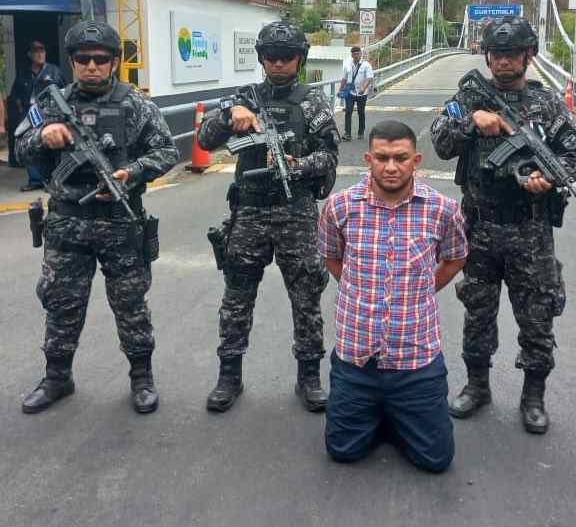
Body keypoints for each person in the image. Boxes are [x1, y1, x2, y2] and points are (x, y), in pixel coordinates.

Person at [430, 16, 576, 435]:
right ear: (487, 57)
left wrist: (549, 178)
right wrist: (470, 122)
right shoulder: (468, 96)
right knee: (478, 311)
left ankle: (533, 396)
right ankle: (477, 385)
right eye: (496, 55)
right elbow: (440, 143)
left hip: (531, 231)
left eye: (512, 54)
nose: (503, 62)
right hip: (479, 228)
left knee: (537, 316)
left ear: (528, 56)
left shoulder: (548, 105)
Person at [15, 21, 178, 414]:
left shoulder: (136, 104)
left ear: (114, 62)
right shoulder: (51, 103)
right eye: (83, 59)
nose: (91, 66)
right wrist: (44, 135)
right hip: (68, 223)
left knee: (131, 305)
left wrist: (132, 173)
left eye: (100, 59)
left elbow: (167, 152)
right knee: (61, 304)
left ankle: (141, 378)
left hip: (120, 223)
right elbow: (20, 148)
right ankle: (57, 377)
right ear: (71, 63)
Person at [198, 21, 339, 414]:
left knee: (306, 295)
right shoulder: (244, 96)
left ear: (300, 58)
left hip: (296, 212)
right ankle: (229, 375)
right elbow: (205, 140)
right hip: (250, 211)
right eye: (271, 58)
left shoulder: (312, 102)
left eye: (286, 57)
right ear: (261, 59)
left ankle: (309, 376)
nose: (278, 64)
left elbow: (329, 157)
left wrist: (298, 164)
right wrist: (231, 116)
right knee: (237, 296)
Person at [319, 120, 467, 472]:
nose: (390, 167)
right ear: (367, 159)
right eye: (382, 158)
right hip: (357, 360)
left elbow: (456, 256)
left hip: (416, 362)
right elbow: (331, 256)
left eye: (400, 158)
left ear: (416, 160)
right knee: (342, 451)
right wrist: (357, 287)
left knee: (435, 461)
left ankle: (394, 414)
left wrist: (422, 289)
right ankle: (383, 414)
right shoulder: (339, 207)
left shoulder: (443, 209)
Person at [10, 40, 65, 190]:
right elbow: (16, 93)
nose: (41, 54)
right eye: (37, 51)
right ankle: (35, 180)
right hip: (30, 113)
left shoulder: (55, 71)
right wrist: (22, 110)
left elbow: (65, 91)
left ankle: (52, 180)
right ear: (30, 54)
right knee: (29, 143)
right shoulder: (24, 73)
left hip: (49, 112)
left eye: (43, 50)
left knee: (51, 144)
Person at [339, 46, 374, 141]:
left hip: (362, 93)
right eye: (354, 54)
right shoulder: (347, 65)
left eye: (358, 54)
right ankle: (347, 134)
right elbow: (344, 78)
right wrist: (340, 89)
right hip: (350, 92)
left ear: (361, 54)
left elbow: (369, 78)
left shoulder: (366, 65)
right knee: (348, 111)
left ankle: (361, 132)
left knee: (361, 112)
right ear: (352, 55)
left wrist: (363, 87)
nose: (356, 56)